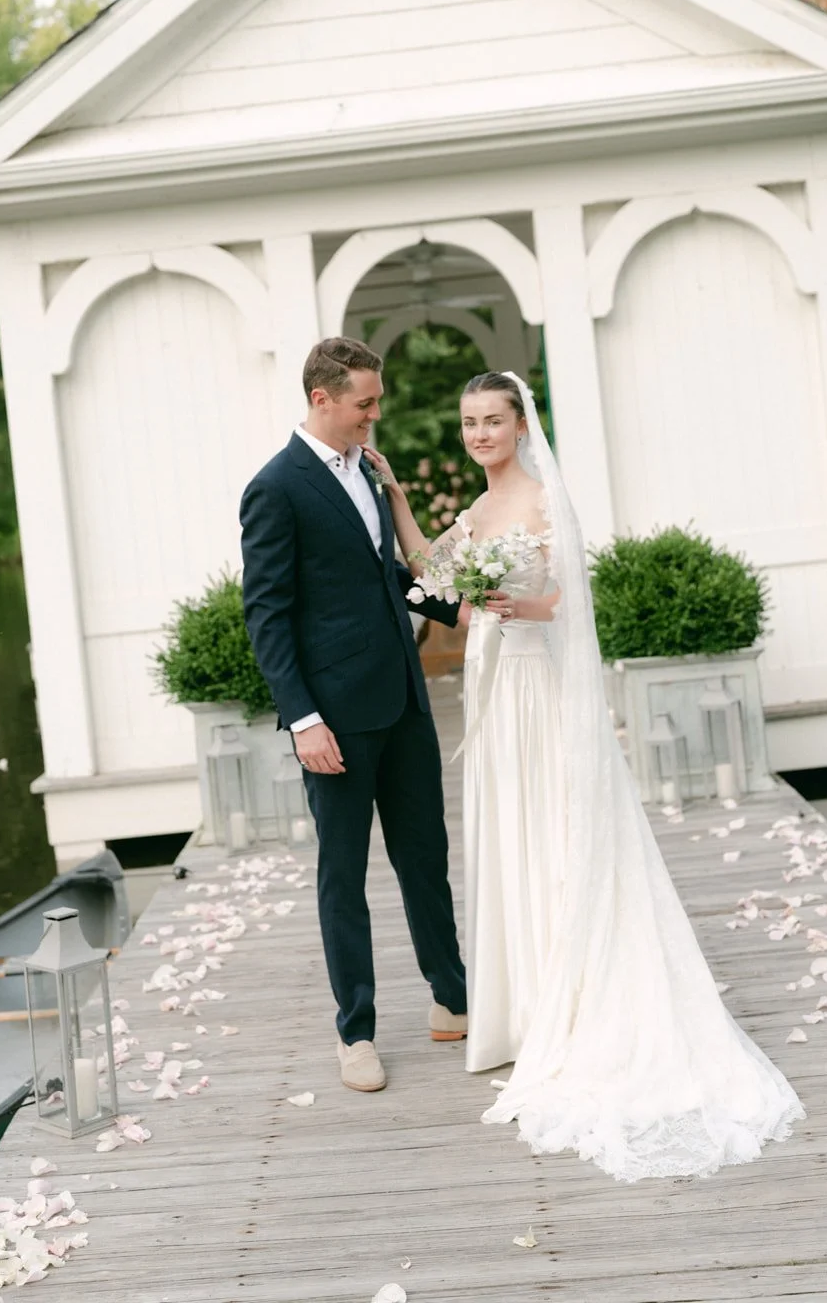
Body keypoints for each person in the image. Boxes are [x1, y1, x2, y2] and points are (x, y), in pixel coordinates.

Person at [364, 370, 805, 1181]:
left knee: (559, 834)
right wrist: (395, 499)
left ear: (519, 425)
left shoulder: (540, 500)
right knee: (512, 837)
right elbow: (431, 571)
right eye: (467, 423)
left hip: (543, 689)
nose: (478, 434)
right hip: (498, 692)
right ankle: (528, 1010)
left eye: (491, 421)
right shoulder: (476, 510)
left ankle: (580, 1005)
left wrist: (522, 605)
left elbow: (571, 602)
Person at [239, 337, 468, 1095]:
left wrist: (463, 605)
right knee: (343, 875)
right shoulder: (275, 487)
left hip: (403, 700)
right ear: (321, 398)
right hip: (333, 719)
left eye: (375, 400)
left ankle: (452, 999)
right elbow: (267, 615)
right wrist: (303, 719)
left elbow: (387, 578)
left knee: (425, 857)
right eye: (365, 402)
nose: (375, 413)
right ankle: (356, 1032)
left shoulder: (369, 473)